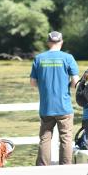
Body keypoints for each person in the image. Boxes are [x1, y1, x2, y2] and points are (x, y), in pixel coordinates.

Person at [30, 31, 79, 165]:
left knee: (45, 138)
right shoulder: (68, 58)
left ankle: (42, 168)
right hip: (64, 106)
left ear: (48, 42)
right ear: (61, 42)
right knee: (66, 138)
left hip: (46, 107)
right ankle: (65, 169)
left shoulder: (39, 58)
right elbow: (76, 83)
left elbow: (33, 83)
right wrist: (67, 84)